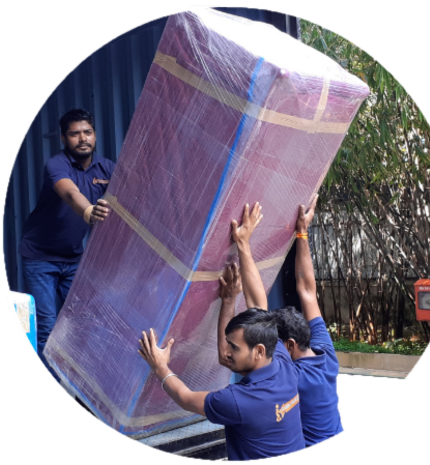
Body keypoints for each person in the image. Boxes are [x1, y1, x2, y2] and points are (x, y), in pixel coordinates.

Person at [139, 203, 305, 461]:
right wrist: (243, 246)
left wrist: (160, 367)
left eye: (235, 348)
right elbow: (259, 306)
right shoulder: (281, 362)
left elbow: (185, 397)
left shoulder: (239, 401)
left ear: (259, 351)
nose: (227, 352)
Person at [19, 108, 115, 381]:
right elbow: (70, 193)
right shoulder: (56, 165)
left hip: (73, 257)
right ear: (64, 138)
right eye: (74, 134)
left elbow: (129, 199)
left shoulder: (106, 168)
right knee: (48, 325)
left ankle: (79, 385)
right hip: (40, 257)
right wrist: (88, 213)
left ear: (94, 135)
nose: (82, 139)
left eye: (87, 132)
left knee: (83, 321)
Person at [270, 196, 344, 446]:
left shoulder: (292, 377)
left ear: (289, 345)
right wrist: (301, 233)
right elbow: (307, 291)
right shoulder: (324, 354)